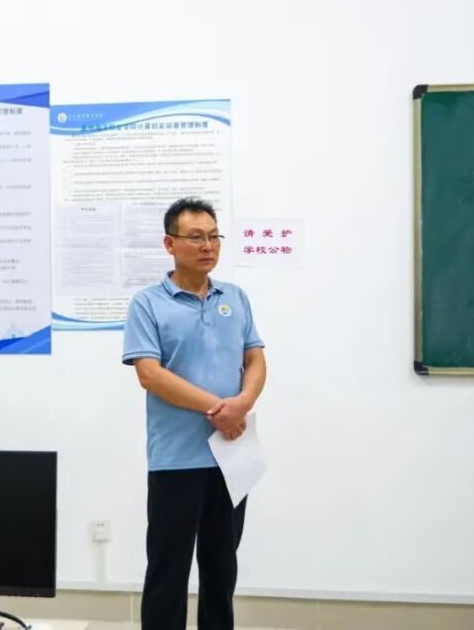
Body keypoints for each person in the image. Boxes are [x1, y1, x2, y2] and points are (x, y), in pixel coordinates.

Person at [122, 197, 267, 630]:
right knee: (168, 571)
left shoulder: (235, 298)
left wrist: (242, 404)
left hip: (231, 455)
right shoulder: (148, 303)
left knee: (222, 569)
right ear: (169, 244)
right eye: (196, 237)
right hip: (176, 458)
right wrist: (217, 408)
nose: (208, 246)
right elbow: (149, 374)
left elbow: (255, 359)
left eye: (213, 236)